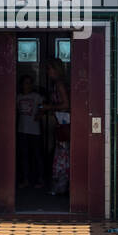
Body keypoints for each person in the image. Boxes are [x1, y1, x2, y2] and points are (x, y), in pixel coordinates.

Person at [45, 58, 71, 195]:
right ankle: (62, 185)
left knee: (62, 154)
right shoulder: (56, 84)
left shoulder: (59, 85)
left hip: (64, 122)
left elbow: (66, 105)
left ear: (56, 70)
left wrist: (50, 107)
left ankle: (61, 186)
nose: (47, 72)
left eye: (49, 69)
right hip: (61, 121)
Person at [16, 75, 44, 189]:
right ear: (21, 85)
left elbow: (43, 105)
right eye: (25, 83)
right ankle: (25, 180)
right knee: (24, 156)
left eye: (29, 83)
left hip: (35, 131)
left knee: (37, 155)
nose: (27, 85)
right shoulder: (18, 97)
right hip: (22, 130)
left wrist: (40, 113)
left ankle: (40, 180)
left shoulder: (36, 96)